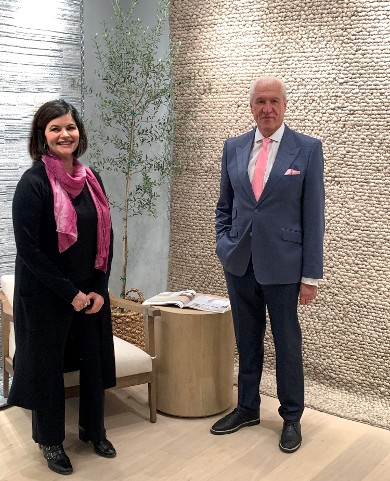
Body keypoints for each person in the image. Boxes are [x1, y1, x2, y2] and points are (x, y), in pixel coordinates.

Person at [211, 76, 325, 453]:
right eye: (260, 101)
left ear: (284, 104)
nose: (267, 108)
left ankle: (291, 416)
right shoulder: (234, 147)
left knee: (287, 342)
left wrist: (311, 276)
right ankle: (247, 407)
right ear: (251, 106)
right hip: (240, 263)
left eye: (274, 101)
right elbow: (225, 205)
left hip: (285, 266)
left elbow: (314, 216)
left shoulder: (307, 150)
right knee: (247, 340)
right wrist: (224, 246)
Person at [8, 100, 117, 475]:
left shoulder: (92, 179)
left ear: (79, 133)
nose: (64, 134)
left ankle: (93, 429)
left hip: (90, 294)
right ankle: (51, 441)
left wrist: (100, 288)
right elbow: (30, 251)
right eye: (55, 128)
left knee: (94, 361)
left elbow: (106, 235)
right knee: (47, 368)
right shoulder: (33, 182)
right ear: (42, 137)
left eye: (69, 127)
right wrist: (68, 292)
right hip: (45, 296)